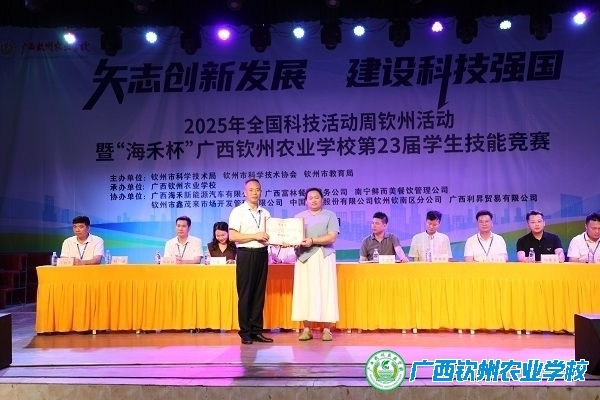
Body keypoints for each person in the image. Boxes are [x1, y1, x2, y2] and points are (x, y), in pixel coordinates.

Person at [228, 178, 272, 345]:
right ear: (244, 192)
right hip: (246, 254)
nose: (255, 192)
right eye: (251, 190)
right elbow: (233, 236)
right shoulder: (238, 211)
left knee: (259, 294)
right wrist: (255, 235)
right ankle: (245, 332)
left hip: (262, 253)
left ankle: (257, 331)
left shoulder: (265, 213)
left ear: (261, 192)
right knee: (246, 294)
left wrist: (283, 240)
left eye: (257, 189)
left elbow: (270, 236)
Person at [292, 188, 340, 341]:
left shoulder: (330, 215)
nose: (313, 200)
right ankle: (306, 329)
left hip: (323, 256)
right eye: (310, 198)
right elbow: (294, 237)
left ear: (322, 199)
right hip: (304, 258)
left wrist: (312, 241)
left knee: (326, 290)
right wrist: (291, 242)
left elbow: (332, 237)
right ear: (306, 201)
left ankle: (327, 329)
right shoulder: (298, 218)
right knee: (304, 291)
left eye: (317, 197)